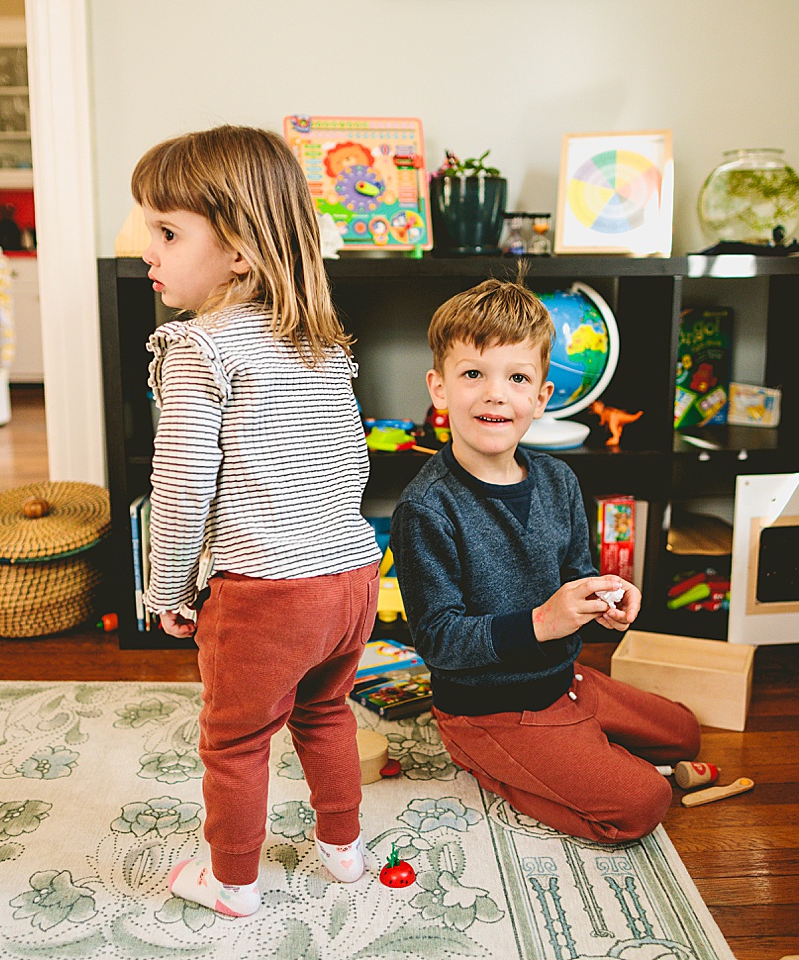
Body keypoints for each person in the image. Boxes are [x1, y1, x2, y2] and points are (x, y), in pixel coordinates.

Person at [133, 125, 381, 917]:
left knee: (235, 739)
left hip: (269, 591)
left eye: (168, 232)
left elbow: (177, 489)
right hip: (351, 578)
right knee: (325, 710)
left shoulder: (199, 347)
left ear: (239, 248)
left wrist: (167, 587)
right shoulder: (319, 343)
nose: (152, 251)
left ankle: (232, 881)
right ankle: (342, 849)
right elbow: (353, 460)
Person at [390, 276, 701, 844]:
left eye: (516, 378)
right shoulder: (425, 507)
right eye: (472, 375)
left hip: (562, 679)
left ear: (542, 395)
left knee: (684, 734)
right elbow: (437, 639)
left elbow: (576, 574)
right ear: (439, 388)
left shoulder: (559, 478)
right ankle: (488, 761)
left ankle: (575, 742)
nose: (494, 394)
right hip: (488, 709)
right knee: (644, 803)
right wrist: (542, 622)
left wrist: (606, 595)